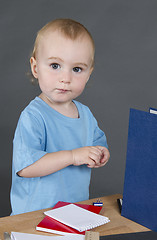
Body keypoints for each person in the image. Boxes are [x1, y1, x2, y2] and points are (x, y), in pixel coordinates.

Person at [10, 18, 110, 215]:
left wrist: (100, 153)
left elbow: (98, 143)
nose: (66, 78)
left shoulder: (86, 115)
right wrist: (73, 156)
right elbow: (26, 168)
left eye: (77, 69)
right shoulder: (34, 116)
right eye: (55, 65)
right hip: (35, 216)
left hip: (73, 212)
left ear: (89, 74)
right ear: (36, 68)